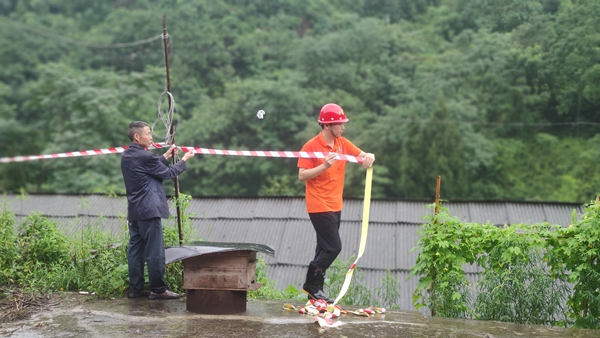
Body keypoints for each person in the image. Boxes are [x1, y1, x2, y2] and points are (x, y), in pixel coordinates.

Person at [297, 103, 375, 303]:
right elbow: (302, 175)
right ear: (327, 126)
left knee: (323, 248)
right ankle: (311, 284)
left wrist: (369, 156)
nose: (343, 127)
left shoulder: (342, 143)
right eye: (339, 123)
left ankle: (315, 294)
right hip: (318, 205)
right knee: (333, 247)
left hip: (336, 205)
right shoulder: (311, 146)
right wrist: (324, 165)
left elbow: (361, 156)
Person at [121, 121, 195, 300]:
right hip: (150, 210)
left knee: (135, 250)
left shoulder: (127, 155)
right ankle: (158, 289)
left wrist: (165, 156)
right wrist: (184, 160)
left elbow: (150, 168)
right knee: (155, 251)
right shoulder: (146, 157)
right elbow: (167, 174)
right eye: (148, 133)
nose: (151, 137)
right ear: (137, 137)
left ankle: (136, 288)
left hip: (135, 211)